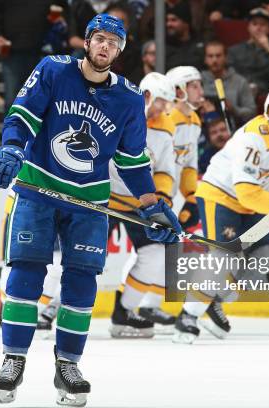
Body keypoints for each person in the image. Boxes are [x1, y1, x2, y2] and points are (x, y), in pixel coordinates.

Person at [0, 14, 182, 406]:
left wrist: (150, 203)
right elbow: (22, 115)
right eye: (100, 39)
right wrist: (11, 146)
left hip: (90, 202)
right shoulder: (53, 70)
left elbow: (132, 159)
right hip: (39, 188)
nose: (105, 46)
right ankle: (13, 359)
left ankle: (69, 364)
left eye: (114, 42)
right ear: (87, 42)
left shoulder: (127, 97)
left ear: (120, 51)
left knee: (82, 282)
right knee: (25, 272)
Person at [173, 87, 269, 344]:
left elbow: (259, 182)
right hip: (220, 197)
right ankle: (188, 317)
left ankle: (215, 300)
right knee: (224, 258)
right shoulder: (253, 138)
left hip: (253, 204)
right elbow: (245, 191)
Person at [108, 72, 177, 338]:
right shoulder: (116, 112)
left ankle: (123, 312)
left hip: (140, 202)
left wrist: (162, 200)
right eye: (161, 101)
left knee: (156, 254)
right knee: (84, 256)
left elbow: (164, 170)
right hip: (103, 198)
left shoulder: (164, 127)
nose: (164, 109)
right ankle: (51, 308)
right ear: (146, 95)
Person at [0, 0, 52, 110]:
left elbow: (61, 8)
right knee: (12, 101)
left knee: (38, 100)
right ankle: (12, 127)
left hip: (41, 51)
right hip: (12, 51)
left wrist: (58, 20)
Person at [166, 66, 204, 231]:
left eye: (200, 85)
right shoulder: (165, 120)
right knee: (154, 251)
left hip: (165, 198)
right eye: (194, 86)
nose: (201, 91)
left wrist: (191, 196)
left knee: (153, 251)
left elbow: (188, 164)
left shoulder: (195, 121)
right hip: (144, 198)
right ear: (179, 90)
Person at [228, 7, 269, 96]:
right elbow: (230, 76)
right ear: (249, 27)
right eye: (254, 24)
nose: (258, 28)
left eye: (263, 24)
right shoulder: (235, 50)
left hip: (266, 93)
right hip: (239, 91)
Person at [201, 40, 256, 128]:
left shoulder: (240, 81)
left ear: (226, 57)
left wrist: (234, 109)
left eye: (218, 56)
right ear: (205, 59)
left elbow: (252, 112)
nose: (214, 60)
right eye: (210, 56)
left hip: (233, 129)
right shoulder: (198, 81)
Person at [165, 1, 204, 70]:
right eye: (167, 20)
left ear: (186, 23)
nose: (169, 24)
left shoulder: (200, 44)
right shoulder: (164, 46)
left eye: (173, 20)